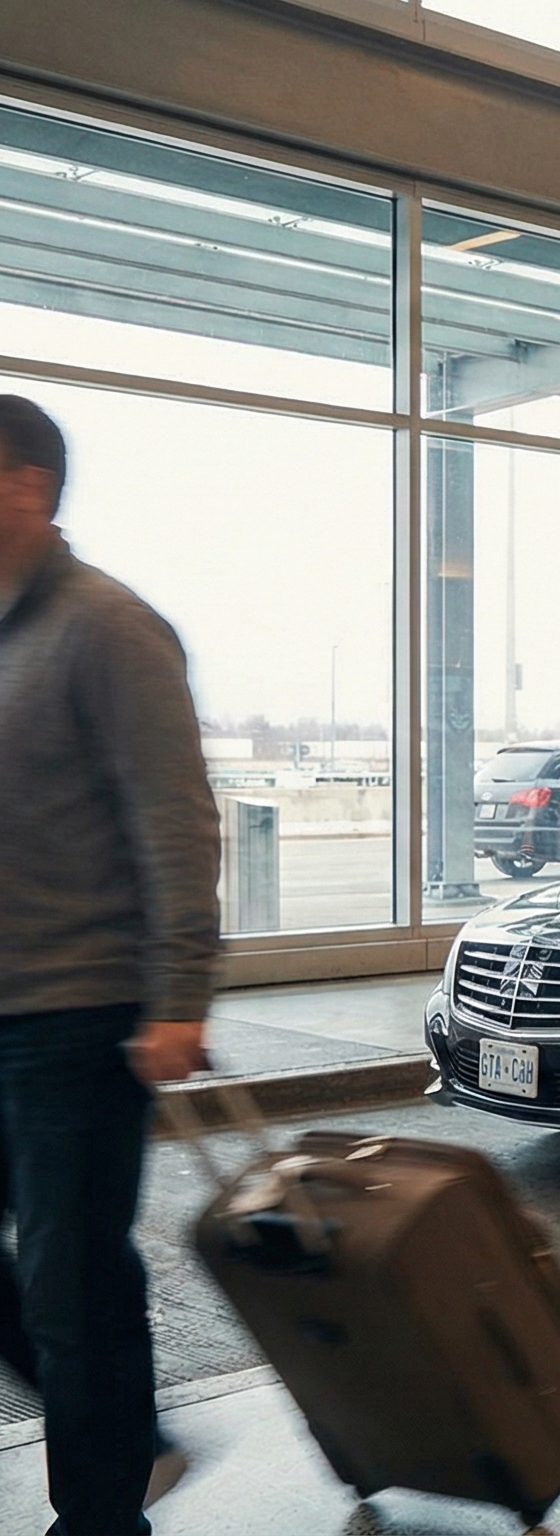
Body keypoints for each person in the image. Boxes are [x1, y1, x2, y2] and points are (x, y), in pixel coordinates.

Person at [0, 395, 217, 1535]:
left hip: (82, 1016)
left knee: (71, 1286)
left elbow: (174, 824)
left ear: (26, 486)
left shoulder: (109, 627)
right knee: (63, 1286)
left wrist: (180, 995)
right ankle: (128, 1436)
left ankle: (100, 1512)